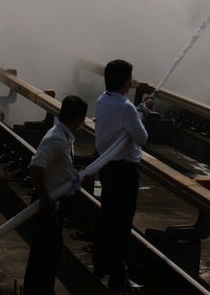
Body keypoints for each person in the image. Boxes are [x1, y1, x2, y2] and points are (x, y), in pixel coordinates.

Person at [92, 59, 152, 292]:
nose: (131, 82)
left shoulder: (102, 100)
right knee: (121, 225)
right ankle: (119, 277)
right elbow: (141, 138)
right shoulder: (126, 107)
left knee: (106, 217)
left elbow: (123, 125)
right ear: (125, 82)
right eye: (130, 78)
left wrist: (139, 110)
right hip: (124, 172)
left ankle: (100, 264)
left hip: (107, 168)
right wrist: (144, 112)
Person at [23, 94, 88, 295]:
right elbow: (36, 166)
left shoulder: (64, 136)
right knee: (44, 254)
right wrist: (45, 198)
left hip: (55, 204)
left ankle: (42, 289)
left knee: (50, 253)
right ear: (77, 118)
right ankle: (38, 291)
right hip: (50, 204)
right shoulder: (57, 139)